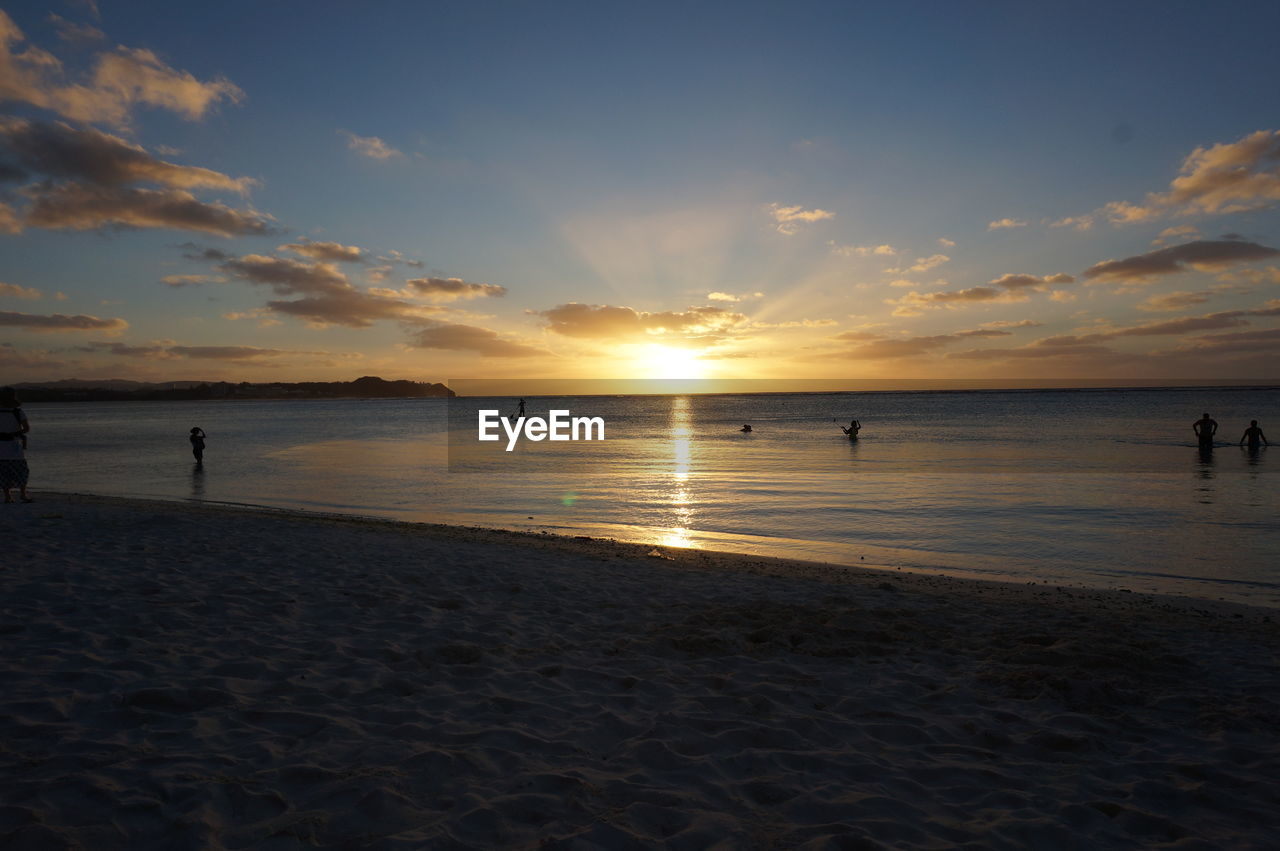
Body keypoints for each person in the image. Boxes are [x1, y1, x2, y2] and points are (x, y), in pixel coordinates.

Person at [0, 386, 32, 504]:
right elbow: (27, 428)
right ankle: (23, 494)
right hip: (15, 447)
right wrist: (16, 433)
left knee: (3, 473)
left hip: (1, 447)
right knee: (22, 471)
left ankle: (8, 496)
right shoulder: (18, 412)